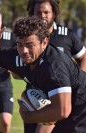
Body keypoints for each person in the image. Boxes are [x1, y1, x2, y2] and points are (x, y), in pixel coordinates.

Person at [23, 0, 86, 132]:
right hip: (35, 98)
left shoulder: (67, 35)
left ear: (54, 14)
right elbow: (17, 69)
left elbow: (84, 56)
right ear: (31, 14)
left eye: (46, 12)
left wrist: (80, 81)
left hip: (59, 98)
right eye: (38, 12)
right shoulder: (25, 39)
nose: (42, 16)